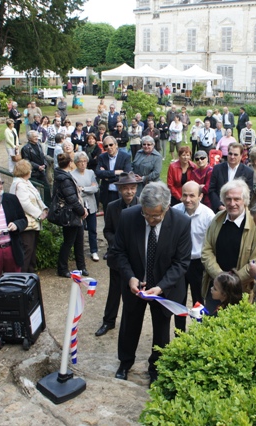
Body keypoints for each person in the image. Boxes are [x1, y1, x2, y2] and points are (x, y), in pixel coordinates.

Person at [112, 182, 192, 386]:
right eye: (146, 215)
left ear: (166, 208)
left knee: (162, 329)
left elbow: (181, 262)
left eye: (155, 216)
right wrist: (130, 277)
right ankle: (125, 362)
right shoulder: (129, 217)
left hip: (164, 288)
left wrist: (161, 286)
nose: (150, 220)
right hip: (135, 285)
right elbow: (118, 253)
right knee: (129, 324)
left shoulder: (181, 222)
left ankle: (156, 367)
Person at [201, 179, 256, 311]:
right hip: (216, 291)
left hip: (241, 291)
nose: (232, 203)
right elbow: (206, 251)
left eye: (237, 199)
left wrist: (232, 282)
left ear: (245, 200)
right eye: (228, 199)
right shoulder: (217, 218)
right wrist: (221, 279)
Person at [95, 172, 140, 337]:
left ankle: (132, 324)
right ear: (120, 189)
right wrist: (116, 243)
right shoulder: (112, 207)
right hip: (117, 256)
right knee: (114, 291)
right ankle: (109, 321)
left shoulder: (142, 205)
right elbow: (107, 230)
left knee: (135, 291)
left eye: (133, 188)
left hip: (136, 258)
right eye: (126, 188)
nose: (129, 192)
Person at [172, 181, 215, 332]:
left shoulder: (209, 215)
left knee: (199, 300)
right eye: (185, 195)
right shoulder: (174, 212)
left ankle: (199, 334)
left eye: (192, 195)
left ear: (201, 196)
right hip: (179, 263)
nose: (188, 199)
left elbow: (212, 243)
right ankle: (179, 334)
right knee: (179, 301)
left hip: (198, 263)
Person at [54, 153, 89, 278]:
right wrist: (82, 211)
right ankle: (62, 269)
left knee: (79, 240)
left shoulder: (63, 176)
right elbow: (72, 200)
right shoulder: (64, 178)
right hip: (71, 215)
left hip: (74, 215)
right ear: (70, 163)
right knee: (69, 242)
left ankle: (81, 266)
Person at [9, 160, 48, 274]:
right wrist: (39, 214)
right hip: (27, 223)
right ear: (25, 171)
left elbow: (36, 198)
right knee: (27, 249)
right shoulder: (19, 185)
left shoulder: (26, 182)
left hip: (33, 223)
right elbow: (24, 203)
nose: (31, 171)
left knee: (32, 249)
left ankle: (31, 273)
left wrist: (44, 208)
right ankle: (22, 275)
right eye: (29, 169)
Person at [209, 142, 255, 212]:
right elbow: (212, 190)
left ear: (241, 156)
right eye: (230, 154)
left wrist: (236, 206)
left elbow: (249, 193)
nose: (232, 157)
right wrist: (219, 206)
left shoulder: (248, 172)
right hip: (219, 210)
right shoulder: (217, 169)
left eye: (235, 154)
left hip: (237, 210)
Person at [72, 152, 99, 262]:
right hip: (80, 205)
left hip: (91, 205)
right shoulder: (72, 174)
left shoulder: (90, 172)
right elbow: (75, 191)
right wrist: (88, 189)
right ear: (76, 163)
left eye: (85, 161)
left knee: (92, 229)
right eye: (80, 162)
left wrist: (83, 189)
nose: (83, 164)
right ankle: (79, 252)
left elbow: (96, 188)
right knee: (80, 230)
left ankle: (94, 251)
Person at [96, 136, 132, 212]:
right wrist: (115, 172)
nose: (109, 147)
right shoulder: (102, 157)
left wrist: (106, 177)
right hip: (107, 193)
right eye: (106, 146)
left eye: (111, 145)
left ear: (116, 145)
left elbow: (126, 175)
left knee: (121, 218)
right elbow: (98, 173)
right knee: (108, 219)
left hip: (120, 193)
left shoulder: (126, 157)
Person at [20, 130, 51, 205]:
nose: (37, 138)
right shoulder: (25, 148)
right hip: (33, 173)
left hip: (41, 171)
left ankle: (48, 204)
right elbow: (27, 161)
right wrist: (37, 167)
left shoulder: (39, 144)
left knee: (47, 187)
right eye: (34, 137)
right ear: (29, 138)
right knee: (33, 190)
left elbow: (43, 156)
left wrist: (45, 164)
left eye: (37, 136)